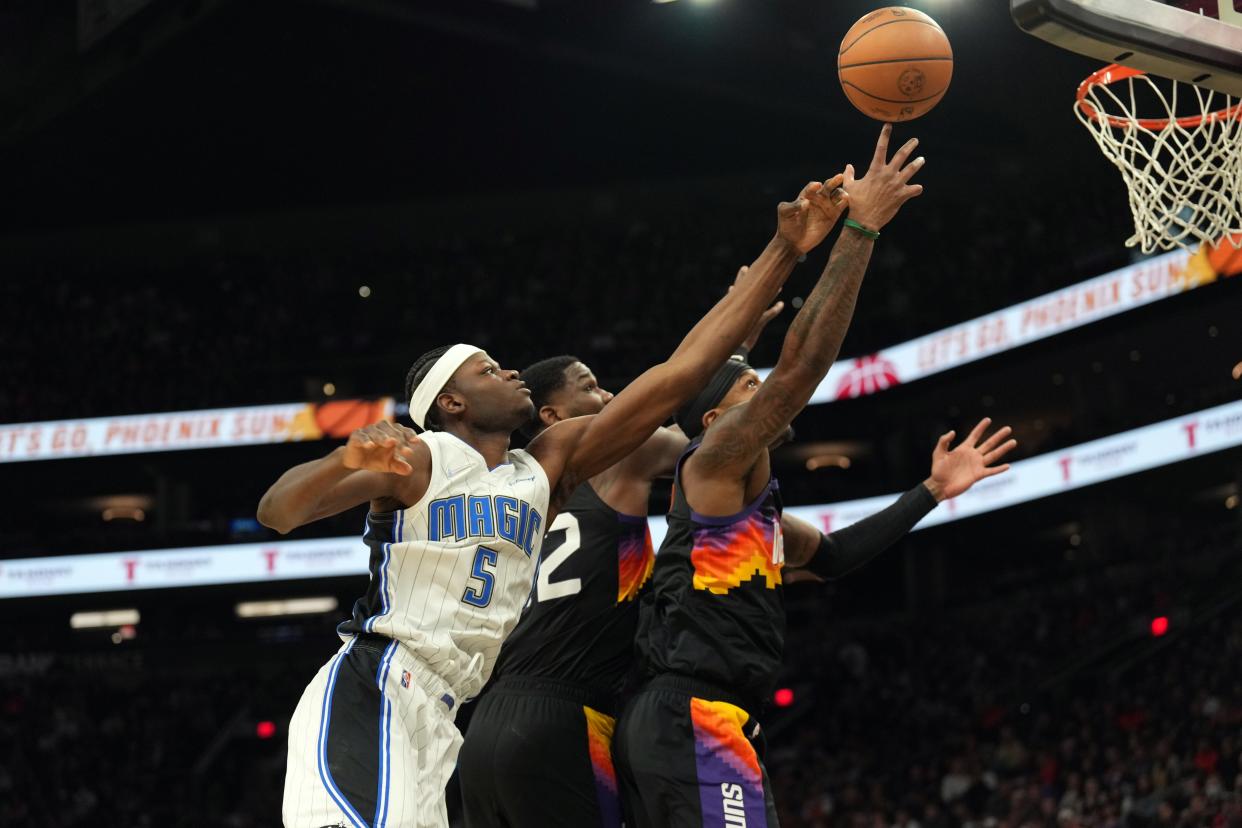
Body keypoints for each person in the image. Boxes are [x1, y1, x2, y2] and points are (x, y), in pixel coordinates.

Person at [257, 174, 849, 828]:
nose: (509, 370)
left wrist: (784, 250)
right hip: (377, 690)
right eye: (486, 369)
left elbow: (674, 378)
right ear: (451, 405)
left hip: (449, 717)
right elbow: (278, 512)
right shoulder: (423, 458)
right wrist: (343, 459)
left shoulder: (544, 465)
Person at [613, 124, 1017, 828]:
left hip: (699, 715)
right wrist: (860, 229)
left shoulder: (748, 513)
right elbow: (801, 369)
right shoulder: (710, 465)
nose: (761, 393)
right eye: (747, 391)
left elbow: (831, 558)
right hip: (690, 713)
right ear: (715, 422)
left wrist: (929, 491)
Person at [454, 301, 781, 828]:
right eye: (590, 388)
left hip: (483, 729)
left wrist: (735, 351)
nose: (607, 397)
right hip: (568, 718)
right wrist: (734, 362)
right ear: (552, 417)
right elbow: (706, 429)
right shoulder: (619, 461)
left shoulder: (507, 502)